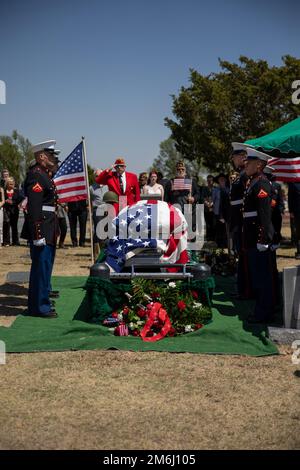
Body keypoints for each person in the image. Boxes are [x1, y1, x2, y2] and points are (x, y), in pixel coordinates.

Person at [21, 140, 60, 318]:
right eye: (51, 155)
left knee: (44, 267)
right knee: (40, 268)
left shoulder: (43, 174)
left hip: (49, 226)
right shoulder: (36, 175)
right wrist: (37, 234)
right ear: (42, 156)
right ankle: (38, 307)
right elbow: (35, 208)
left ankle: (42, 300)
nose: (53, 158)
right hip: (42, 227)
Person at [242, 146, 276, 323]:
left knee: (263, 278)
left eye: (250, 162)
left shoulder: (261, 183)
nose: (245, 164)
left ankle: (264, 313)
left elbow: (264, 215)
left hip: (257, 238)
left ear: (260, 165)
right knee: (257, 276)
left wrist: (263, 238)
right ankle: (261, 309)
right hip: (251, 236)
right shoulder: (253, 182)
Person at [164, 160, 200, 246]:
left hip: (189, 211)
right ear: (175, 170)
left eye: (182, 169)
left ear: (185, 170)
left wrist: (193, 198)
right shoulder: (170, 182)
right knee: (177, 234)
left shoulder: (191, 181)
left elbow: (198, 194)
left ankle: (192, 254)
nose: (180, 171)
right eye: (178, 169)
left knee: (190, 232)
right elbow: (166, 199)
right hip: (176, 212)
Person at [229, 143, 248, 298]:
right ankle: (242, 287)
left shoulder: (244, 175)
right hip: (236, 221)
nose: (233, 160)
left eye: (234, 157)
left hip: (242, 222)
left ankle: (245, 289)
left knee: (243, 255)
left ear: (243, 157)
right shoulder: (240, 175)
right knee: (240, 255)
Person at [90, 171, 108, 257]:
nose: (98, 177)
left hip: (108, 209)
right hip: (98, 209)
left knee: (107, 231)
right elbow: (89, 201)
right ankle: (98, 254)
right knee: (99, 231)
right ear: (94, 177)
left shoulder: (108, 186)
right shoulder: (91, 188)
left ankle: (107, 252)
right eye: (97, 176)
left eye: (100, 175)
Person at [3, 177, 24, 246]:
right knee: (6, 225)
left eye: (12, 184)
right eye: (10, 184)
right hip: (6, 210)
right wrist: (6, 201)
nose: (11, 185)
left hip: (14, 210)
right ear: (7, 184)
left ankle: (15, 242)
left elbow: (21, 198)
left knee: (14, 226)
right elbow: (2, 200)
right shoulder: (4, 191)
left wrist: (13, 202)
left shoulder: (17, 191)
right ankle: (6, 242)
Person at [212, 173, 230, 249]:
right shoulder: (215, 190)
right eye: (220, 180)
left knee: (226, 230)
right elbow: (213, 200)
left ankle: (226, 245)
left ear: (226, 180)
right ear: (218, 181)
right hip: (217, 212)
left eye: (223, 179)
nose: (222, 181)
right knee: (218, 230)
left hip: (226, 213)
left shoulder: (228, 189)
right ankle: (219, 246)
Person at [287, 182, 300, 259]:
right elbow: (290, 198)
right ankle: (299, 252)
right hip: (298, 212)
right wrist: (291, 211)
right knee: (298, 232)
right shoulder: (293, 185)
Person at [202, 175, 215, 241]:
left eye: (211, 180)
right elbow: (203, 197)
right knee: (208, 223)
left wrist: (212, 203)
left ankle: (214, 237)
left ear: (213, 181)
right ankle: (208, 237)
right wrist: (206, 203)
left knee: (213, 223)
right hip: (206, 208)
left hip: (214, 208)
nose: (209, 182)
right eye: (208, 180)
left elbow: (216, 197)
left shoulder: (215, 188)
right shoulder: (204, 188)